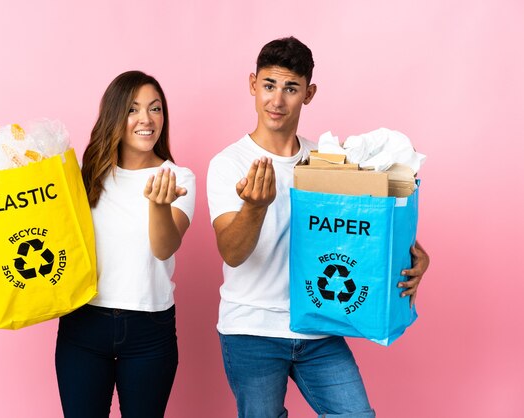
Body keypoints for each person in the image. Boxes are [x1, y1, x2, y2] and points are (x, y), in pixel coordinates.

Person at [206, 36, 429, 418]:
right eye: (269, 85)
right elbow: (233, 252)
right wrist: (254, 208)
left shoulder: (327, 162)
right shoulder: (228, 163)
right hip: (252, 329)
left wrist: (409, 252)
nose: (277, 101)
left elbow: (360, 230)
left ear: (308, 94)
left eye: (291, 88)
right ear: (252, 85)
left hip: (320, 326)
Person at [55, 70, 195, 418]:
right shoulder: (85, 176)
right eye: (133, 109)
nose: (146, 120)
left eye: (155, 108)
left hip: (150, 331)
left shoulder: (178, 177)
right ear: (115, 115)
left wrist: (159, 205)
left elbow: (164, 248)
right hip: (83, 326)